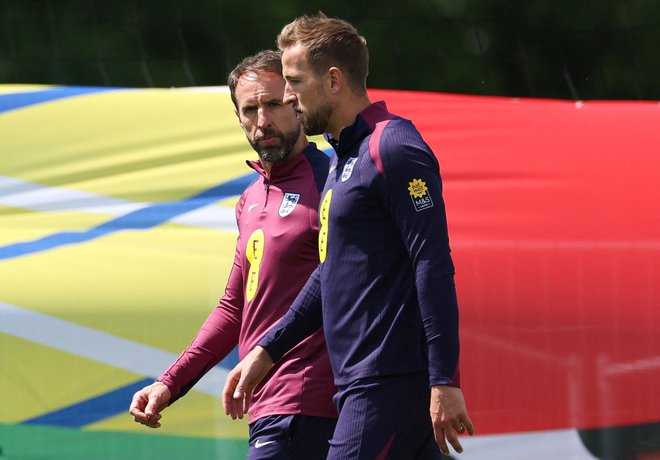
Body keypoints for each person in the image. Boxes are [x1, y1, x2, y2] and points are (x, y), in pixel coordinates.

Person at [223, 14, 475, 459]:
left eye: (295, 82)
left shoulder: (393, 147)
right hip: (364, 384)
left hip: (386, 383)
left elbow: (432, 263)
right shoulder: (344, 158)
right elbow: (329, 273)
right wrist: (267, 350)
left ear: (334, 80)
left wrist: (444, 379)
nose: (287, 96)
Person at [129, 49, 337, 459]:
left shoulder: (333, 180)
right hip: (265, 404)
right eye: (250, 109)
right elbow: (233, 308)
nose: (263, 121)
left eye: (274, 104)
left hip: (315, 401)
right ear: (238, 118)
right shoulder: (249, 199)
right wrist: (169, 383)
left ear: (297, 103)